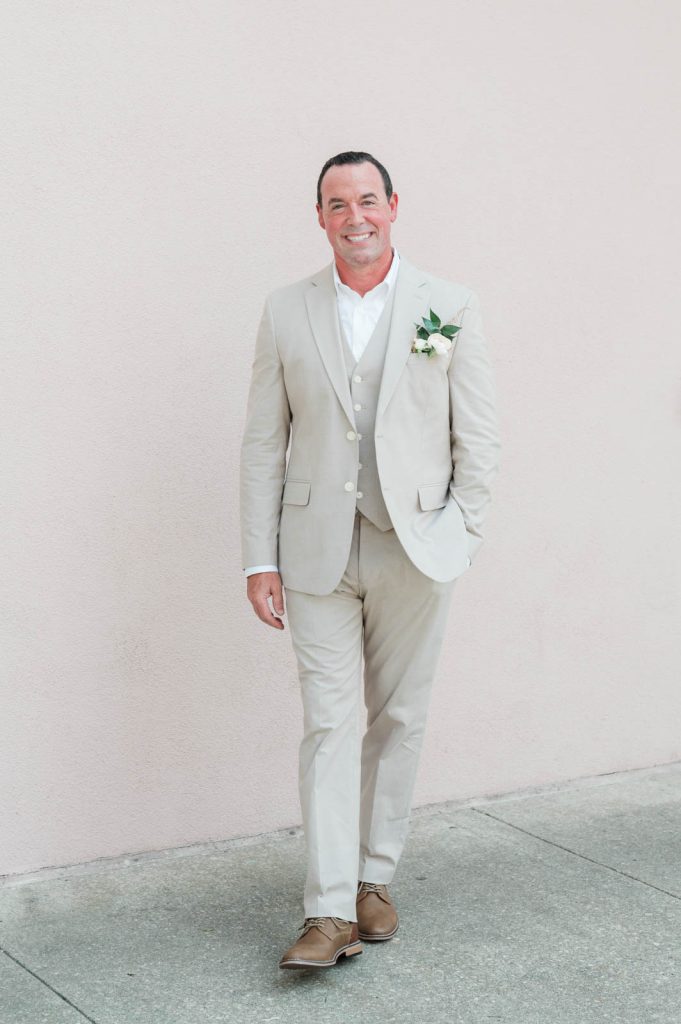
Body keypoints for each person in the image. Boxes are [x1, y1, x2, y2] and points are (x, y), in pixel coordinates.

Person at [239, 151, 500, 970]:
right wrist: (257, 558)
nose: (354, 215)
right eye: (334, 202)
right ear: (319, 217)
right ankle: (326, 913)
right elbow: (261, 443)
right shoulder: (286, 310)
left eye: (366, 200)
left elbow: (477, 435)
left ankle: (372, 879)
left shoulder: (447, 306)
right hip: (312, 552)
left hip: (414, 549)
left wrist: (459, 532)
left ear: (393, 206)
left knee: (399, 719)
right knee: (328, 725)